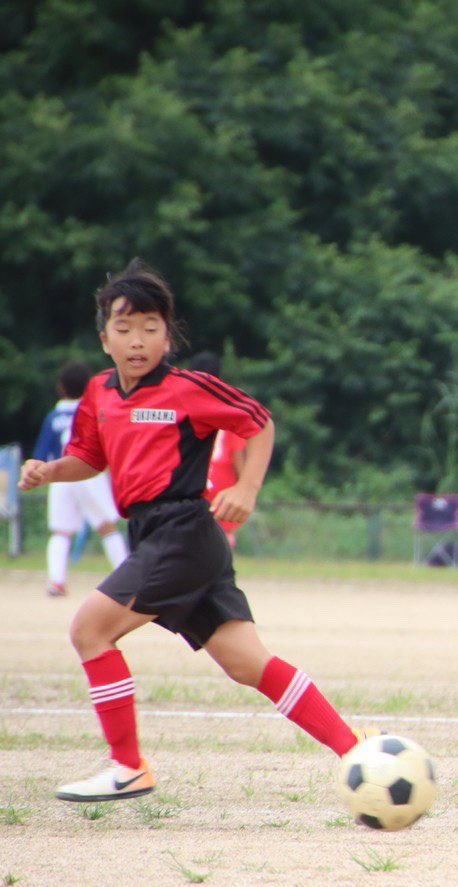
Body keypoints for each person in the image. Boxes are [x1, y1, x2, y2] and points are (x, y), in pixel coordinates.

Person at [17, 260, 364, 802]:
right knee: (247, 663)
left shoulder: (187, 389)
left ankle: (128, 766)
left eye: (150, 327)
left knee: (90, 630)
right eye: (125, 328)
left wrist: (247, 488)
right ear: (104, 338)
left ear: (168, 337)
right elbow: (89, 456)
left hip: (182, 532)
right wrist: (50, 471)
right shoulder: (100, 394)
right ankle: (356, 750)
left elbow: (259, 422)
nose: (137, 340)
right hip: (162, 537)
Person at [32, 361, 129, 596]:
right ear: (89, 387)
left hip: (58, 475)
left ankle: (56, 581)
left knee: (61, 531)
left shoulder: (54, 416)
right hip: (89, 473)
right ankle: (127, 577)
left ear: (61, 387)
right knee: (107, 526)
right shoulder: (93, 410)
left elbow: (41, 455)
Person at [186, 352, 249, 549]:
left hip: (191, 482)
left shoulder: (182, 406)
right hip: (222, 485)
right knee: (221, 542)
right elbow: (237, 454)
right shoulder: (226, 407)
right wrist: (245, 487)